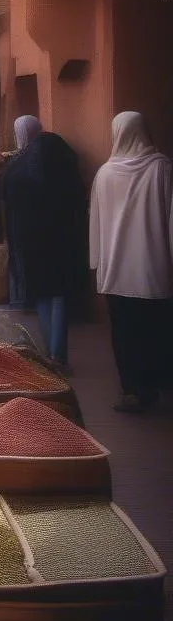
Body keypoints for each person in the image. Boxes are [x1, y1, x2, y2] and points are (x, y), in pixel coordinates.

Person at [90, 111, 173, 413]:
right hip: (153, 268)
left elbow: (96, 223)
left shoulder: (105, 173)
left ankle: (131, 390)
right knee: (154, 330)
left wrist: (97, 262)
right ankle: (153, 387)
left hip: (116, 271)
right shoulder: (161, 169)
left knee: (123, 333)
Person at [0, 116, 86, 372]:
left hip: (31, 240)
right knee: (58, 294)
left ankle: (51, 353)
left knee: (42, 294)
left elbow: (9, 204)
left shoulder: (19, 166)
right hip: (61, 237)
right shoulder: (61, 161)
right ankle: (57, 354)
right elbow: (77, 199)